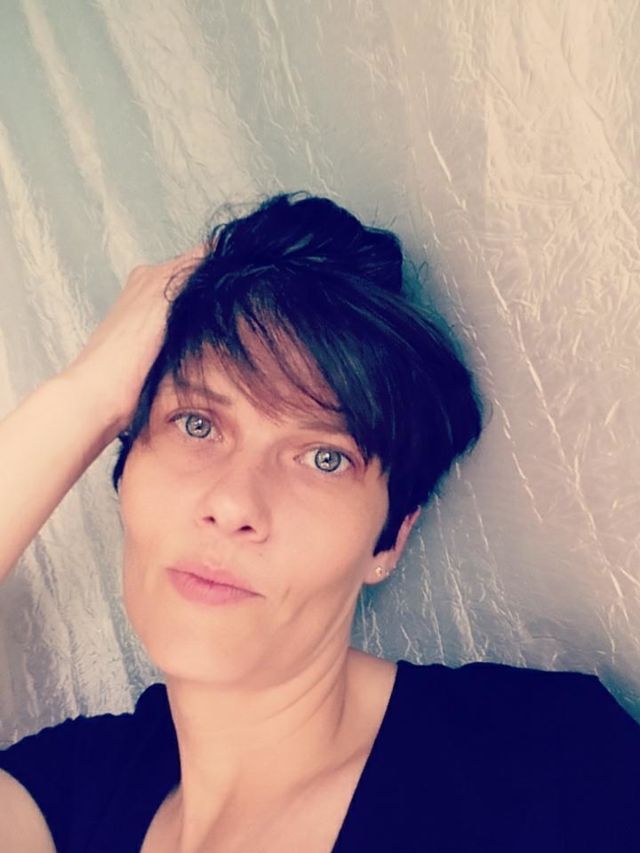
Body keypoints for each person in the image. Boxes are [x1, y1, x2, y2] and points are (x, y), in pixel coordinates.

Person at [0, 193, 638, 853]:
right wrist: (85, 396)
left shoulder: (543, 767)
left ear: (390, 538)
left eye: (324, 458)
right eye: (196, 423)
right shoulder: (71, 796)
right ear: (125, 464)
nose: (234, 504)